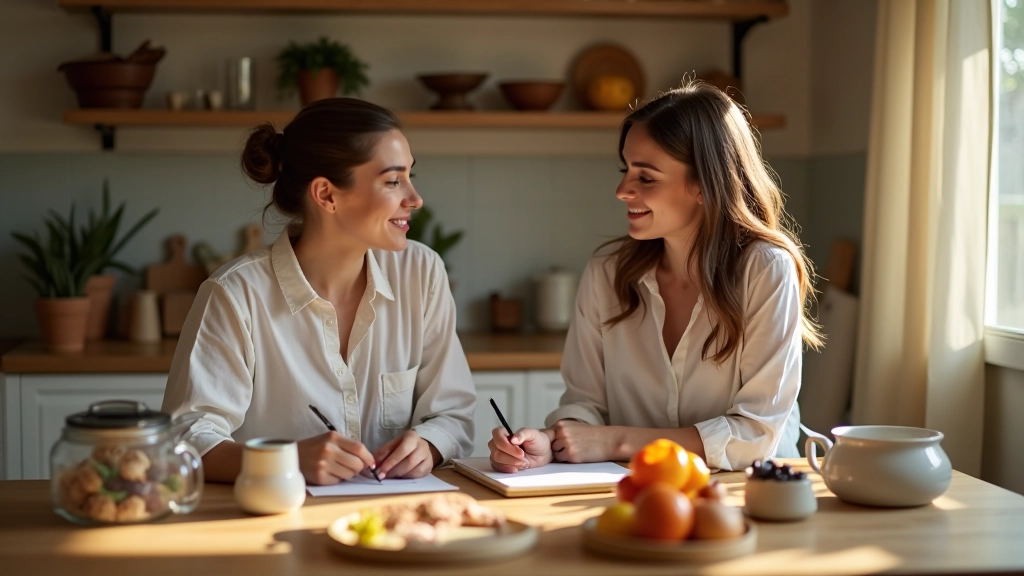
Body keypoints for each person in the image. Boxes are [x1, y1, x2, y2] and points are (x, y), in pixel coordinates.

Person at [489, 82, 823, 473]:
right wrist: (553, 442)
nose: (621, 191)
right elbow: (586, 403)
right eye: (625, 170)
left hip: (751, 496)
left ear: (704, 185)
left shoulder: (766, 269)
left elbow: (756, 434)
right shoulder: (607, 272)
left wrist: (614, 440)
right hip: (636, 492)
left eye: (645, 178)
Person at [163, 98, 476, 485]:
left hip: (395, 527)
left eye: (411, 176)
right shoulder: (235, 294)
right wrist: (285, 460)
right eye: (393, 181)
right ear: (326, 194)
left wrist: (428, 445)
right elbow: (185, 441)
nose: (414, 199)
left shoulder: (422, 272)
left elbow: (452, 413)